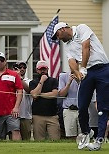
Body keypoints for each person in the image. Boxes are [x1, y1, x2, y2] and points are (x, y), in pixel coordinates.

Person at [52, 22, 109, 150]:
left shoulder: (81, 28)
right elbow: (71, 61)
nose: (59, 38)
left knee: (101, 107)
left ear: (63, 29)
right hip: (88, 73)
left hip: (103, 70)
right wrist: (77, 73)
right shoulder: (67, 45)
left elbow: (86, 47)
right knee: (82, 105)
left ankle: (98, 140)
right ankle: (87, 132)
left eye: (58, 35)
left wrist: (82, 67)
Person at [29, 60, 60, 140]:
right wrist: (42, 81)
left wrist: (40, 94)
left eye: (44, 69)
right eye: (40, 69)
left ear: (47, 69)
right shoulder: (33, 82)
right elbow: (34, 95)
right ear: (37, 70)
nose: (43, 71)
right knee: (39, 140)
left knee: (55, 140)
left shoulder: (53, 81)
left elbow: (54, 94)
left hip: (52, 115)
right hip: (38, 115)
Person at [58, 72, 81, 139]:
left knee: (83, 134)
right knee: (71, 136)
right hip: (69, 109)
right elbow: (62, 94)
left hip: (82, 109)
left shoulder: (85, 75)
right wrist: (69, 83)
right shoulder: (63, 76)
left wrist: (79, 82)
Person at [14, 61, 33, 140]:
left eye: (24, 67)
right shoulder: (11, 79)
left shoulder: (29, 81)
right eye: (20, 67)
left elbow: (28, 89)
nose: (22, 69)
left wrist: (20, 79)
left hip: (25, 115)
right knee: (14, 138)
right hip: (13, 115)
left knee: (26, 139)